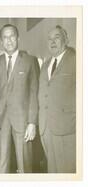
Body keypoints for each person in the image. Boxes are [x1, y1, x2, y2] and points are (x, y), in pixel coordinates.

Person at [0, 24, 40, 173]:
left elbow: (34, 93)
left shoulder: (30, 61)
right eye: (5, 37)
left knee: (25, 166)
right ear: (1, 41)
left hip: (23, 121)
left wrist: (32, 122)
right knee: (3, 166)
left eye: (12, 36)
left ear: (18, 38)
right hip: (0, 121)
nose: (9, 40)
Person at [38, 25, 76, 173]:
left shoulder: (76, 60)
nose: (52, 41)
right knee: (52, 172)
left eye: (57, 37)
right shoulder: (46, 64)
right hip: (46, 128)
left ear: (66, 39)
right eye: (49, 39)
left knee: (67, 172)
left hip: (67, 128)